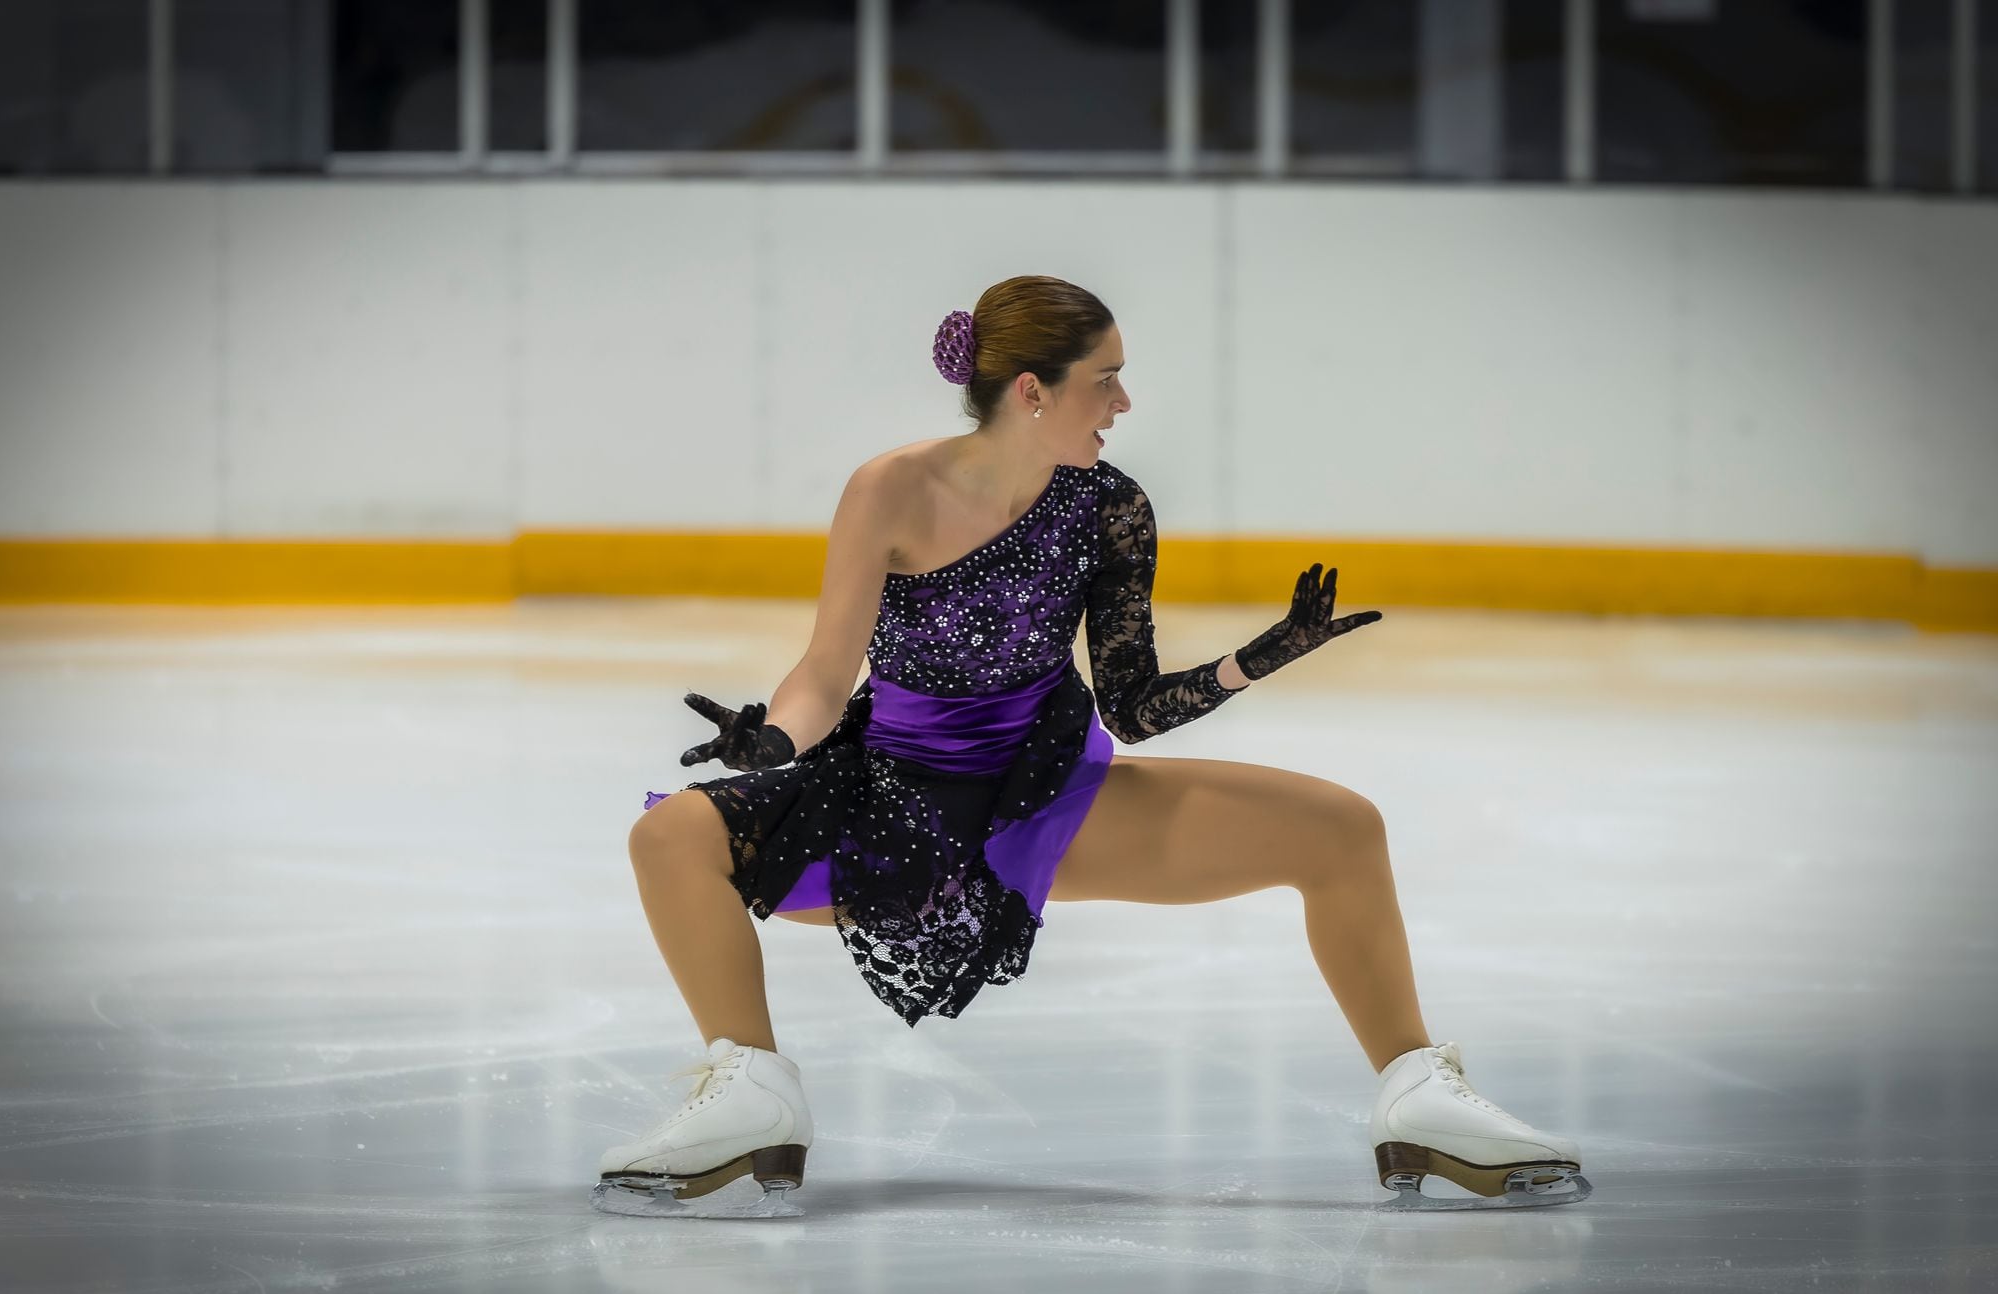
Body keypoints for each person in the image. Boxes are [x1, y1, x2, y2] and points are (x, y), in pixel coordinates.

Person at [597, 276, 1591, 1215]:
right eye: (1103, 377)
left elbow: (1132, 705)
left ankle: (1417, 1098)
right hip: (893, 802)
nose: (1121, 400)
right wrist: (773, 736)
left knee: (1339, 829)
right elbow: (824, 671)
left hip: (1045, 796)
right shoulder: (889, 488)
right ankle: (753, 1095)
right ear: (1031, 390)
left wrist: (1259, 657)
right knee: (671, 838)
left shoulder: (1109, 507)